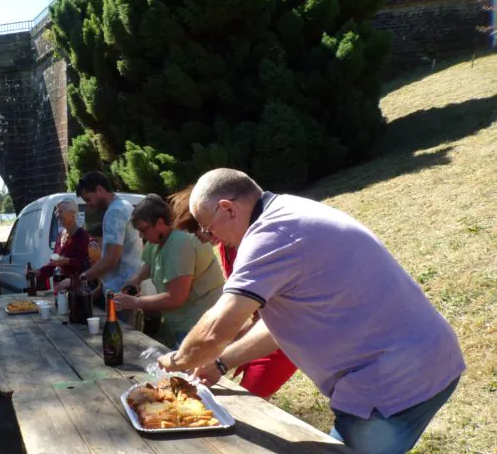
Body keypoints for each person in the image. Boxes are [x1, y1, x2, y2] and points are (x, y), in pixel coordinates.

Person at [157, 168, 466, 454]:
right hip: (429, 362)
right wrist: (221, 363)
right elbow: (279, 327)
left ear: (227, 208)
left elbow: (214, 331)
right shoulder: (288, 210)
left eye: (209, 229)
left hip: (395, 384)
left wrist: (175, 361)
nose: (212, 240)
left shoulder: (270, 234)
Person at [167, 185, 297, 399]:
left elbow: (247, 311)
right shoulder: (226, 246)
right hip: (260, 330)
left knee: (249, 400)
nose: (201, 237)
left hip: (277, 336)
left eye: (201, 229)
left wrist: (189, 356)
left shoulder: (250, 245)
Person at [114, 195, 224, 348]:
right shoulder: (158, 239)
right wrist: (136, 279)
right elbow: (151, 262)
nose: (141, 235)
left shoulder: (181, 243)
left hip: (201, 324)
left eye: (143, 230)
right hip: (186, 322)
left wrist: (135, 302)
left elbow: (175, 298)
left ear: (160, 222)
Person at [76, 172, 143, 327]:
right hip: (125, 290)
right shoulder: (123, 206)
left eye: (88, 199)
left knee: (121, 338)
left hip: (121, 294)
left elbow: (111, 259)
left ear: (100, 190)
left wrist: (82, 277)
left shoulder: (115, 211)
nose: (89, 205)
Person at [36, 199, 89, 291]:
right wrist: (38, 272)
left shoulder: (81, 234)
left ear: (72, 214)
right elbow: (53, 263)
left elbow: (84, 263)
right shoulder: (61, 235)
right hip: (61, 287)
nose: (56, 214)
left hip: (77, 288)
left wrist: (66, 261)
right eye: (56, 211)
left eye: (60, 211)